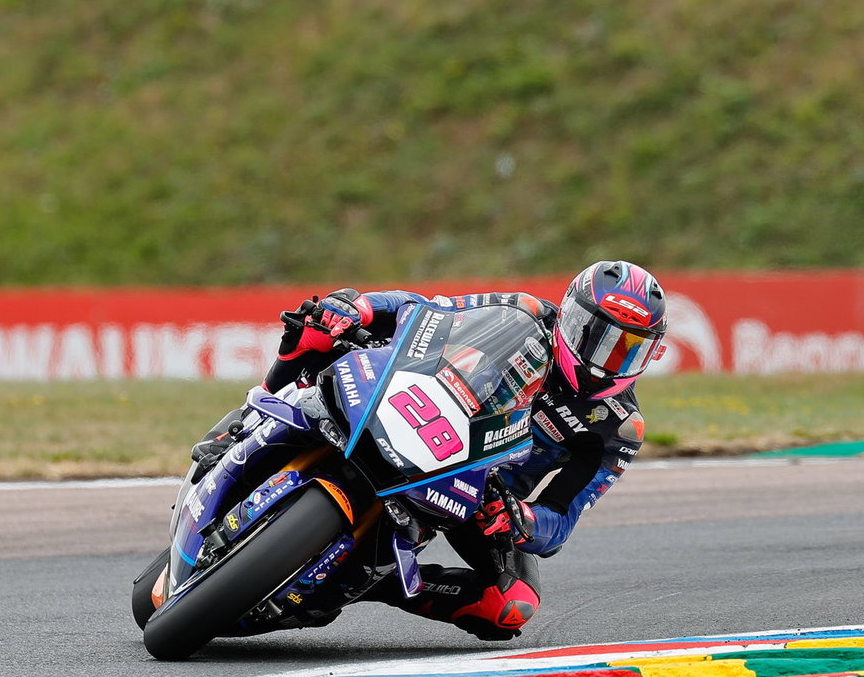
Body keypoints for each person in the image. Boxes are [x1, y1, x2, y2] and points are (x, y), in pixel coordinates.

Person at [191, 260, 668, 641]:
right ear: (569, 315)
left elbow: (560, 522)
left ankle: (379, 583)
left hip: (480, 496)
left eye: (627, 348)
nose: (606, 358)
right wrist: (358, 309)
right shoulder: (522, 311)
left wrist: (519, 519)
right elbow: (424, 311)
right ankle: (242, 420)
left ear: (654, 354)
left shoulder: (618, 427)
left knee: (511, 606)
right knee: (319, 326)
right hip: (425, 408)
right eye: (596, 334)